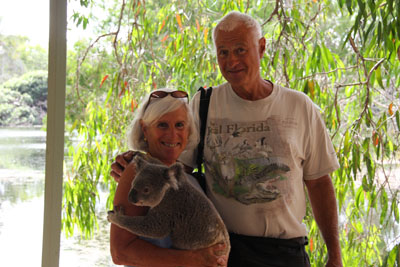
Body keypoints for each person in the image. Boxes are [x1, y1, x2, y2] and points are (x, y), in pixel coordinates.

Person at [112, 11, 343, 267]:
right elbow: (173, 166)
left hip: (285, 252)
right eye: (223, 52)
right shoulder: (205, 104)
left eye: (240, 50)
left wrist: (335, 255)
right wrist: (136, 165)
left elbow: (320, 183)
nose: (232, 60)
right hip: (224, 251)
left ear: (262, 47)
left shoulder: (300, 106)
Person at [109, 87, 228, 267]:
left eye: (179, 125)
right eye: (162, 125)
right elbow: (121, 253)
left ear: (189, 130)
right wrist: (195, 259)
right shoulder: (137, 171)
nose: (172, 134)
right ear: (144, 128)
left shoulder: (184, 176)